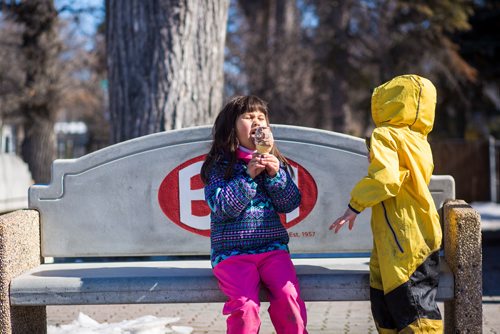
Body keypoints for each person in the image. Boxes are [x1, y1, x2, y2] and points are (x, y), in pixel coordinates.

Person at [330, 74, 443, 333]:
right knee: (395, 301)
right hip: (415, 229)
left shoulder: (385, 135)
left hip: (400, 234)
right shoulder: (419, 139)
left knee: (413, 310)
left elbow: (387, 179)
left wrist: (355, 205)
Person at [200, 95, 308, 334]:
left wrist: (275, 175)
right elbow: (221, 206)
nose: (257, 122)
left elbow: (290, 203)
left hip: (272, 250)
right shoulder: (219, 166)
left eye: (262, 117)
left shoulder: (276, 163)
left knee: (288, 296)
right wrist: (247, 177)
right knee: (245, 307)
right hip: (232, 254)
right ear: (232, 127)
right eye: (249, 117)